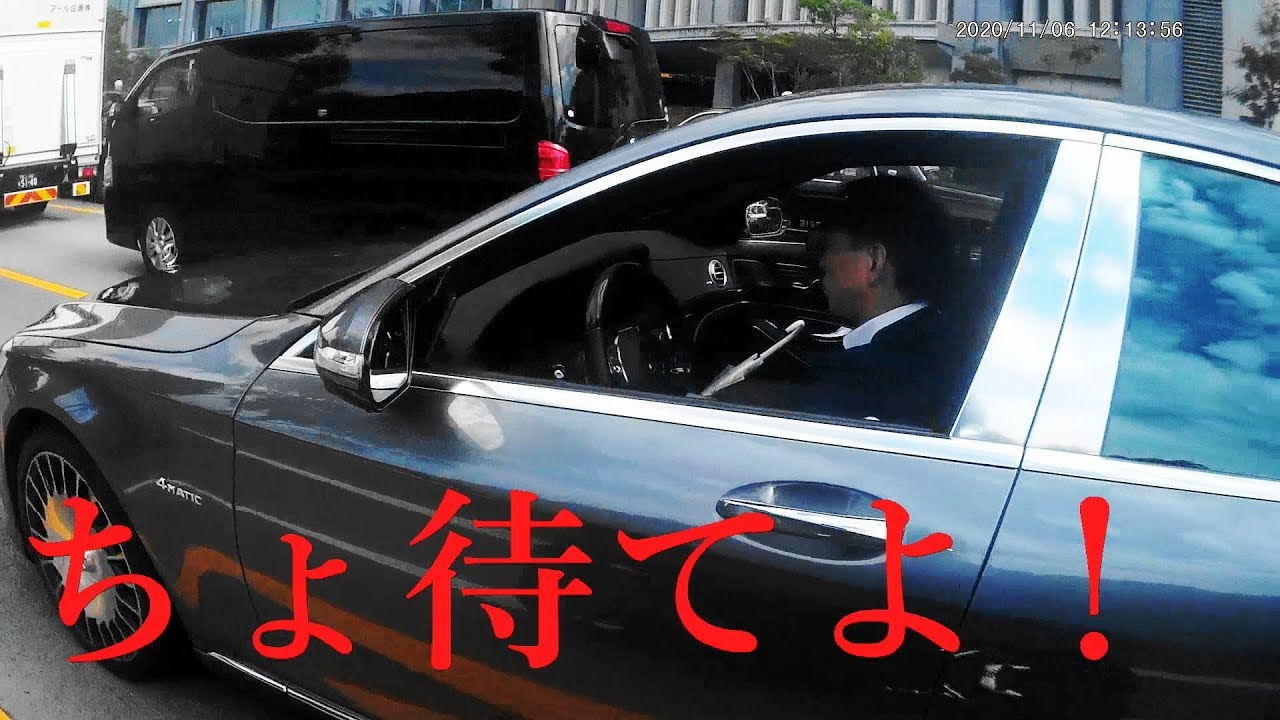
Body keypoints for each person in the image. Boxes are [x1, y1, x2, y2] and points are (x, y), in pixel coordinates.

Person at [789, 175, 963, 428]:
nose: (822, 261)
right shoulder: (948, 344)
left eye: (829, 247)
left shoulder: (854, 379)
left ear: (873, 262)